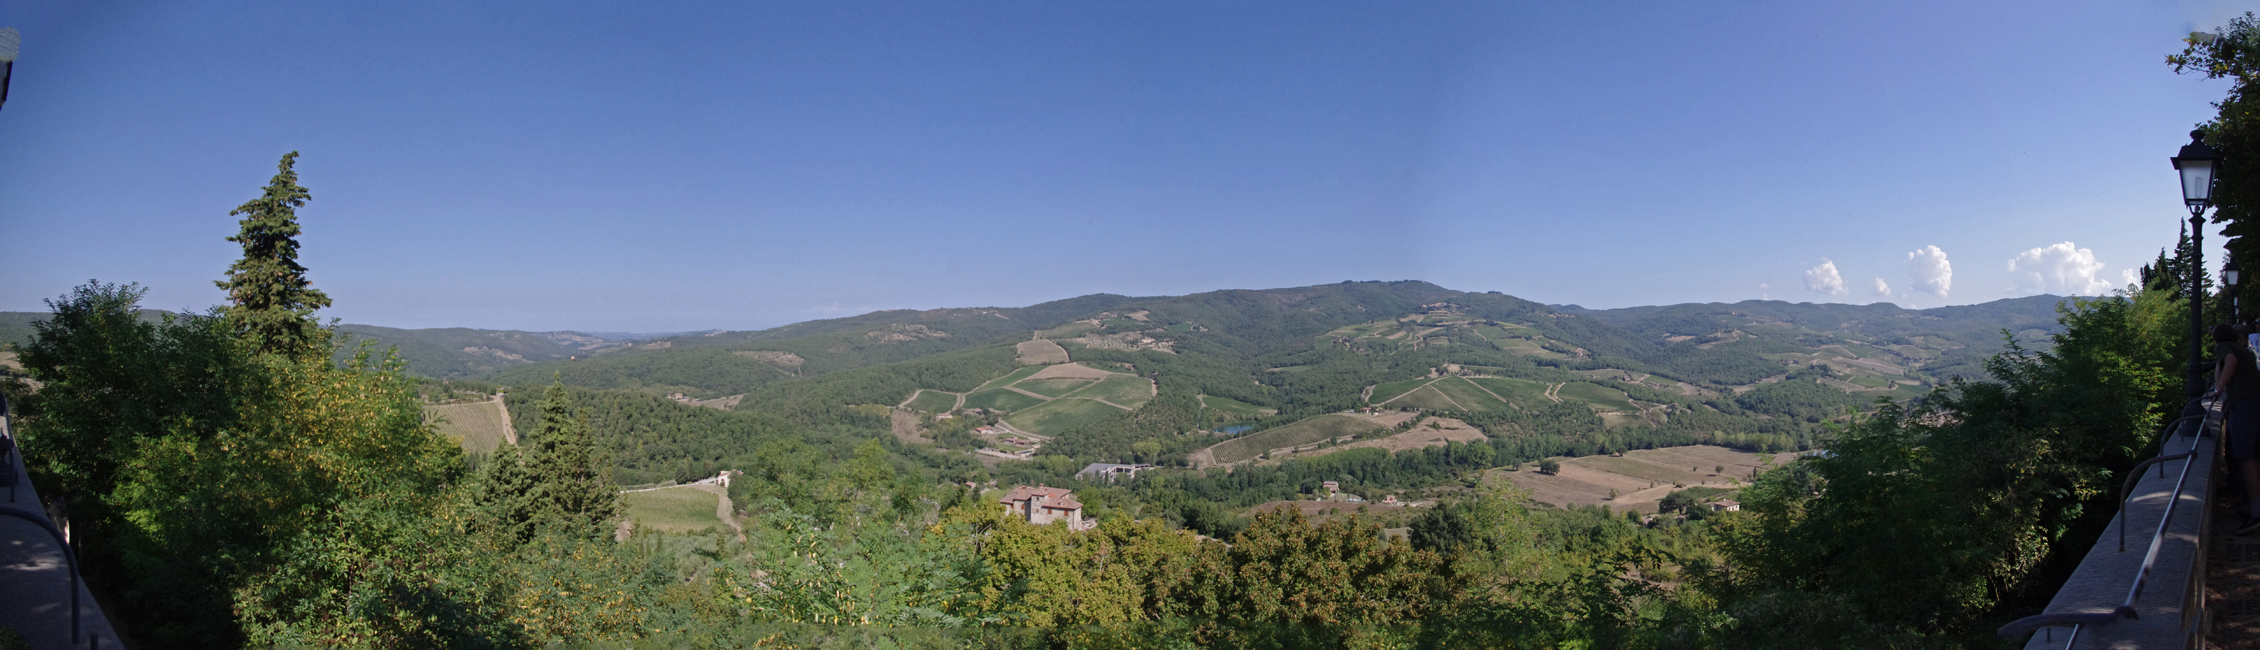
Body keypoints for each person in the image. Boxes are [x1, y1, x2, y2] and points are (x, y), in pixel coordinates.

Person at [2214, 323, 2260, 535]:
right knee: (2254, 456)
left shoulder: (2225, 347)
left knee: (2245, 458)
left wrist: (2219, 388)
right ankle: (2252, 507)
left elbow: (2229, 362)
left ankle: (2256, 514)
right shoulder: (2246, 351)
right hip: (2254, 404)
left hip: (2243, 407)